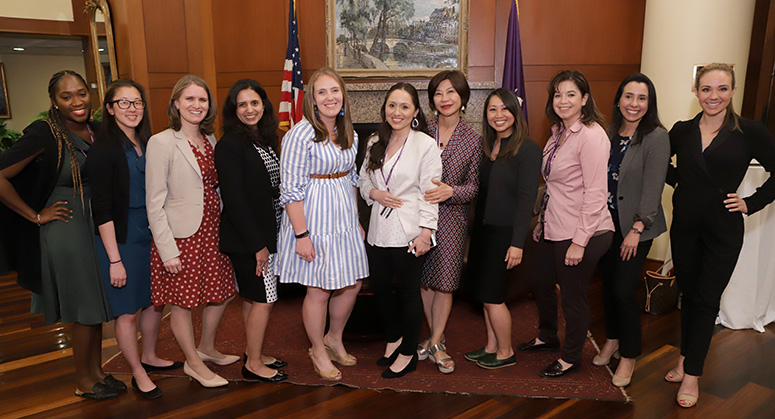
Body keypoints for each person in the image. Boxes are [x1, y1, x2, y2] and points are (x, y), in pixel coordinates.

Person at [0, 70, 118, 400]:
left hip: (94, 225)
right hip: (66, 227)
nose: (76, 102)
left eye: (81, 93)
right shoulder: (44, 133)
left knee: (96, 304)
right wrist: (36, 215)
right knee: (84, 307)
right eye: (67, 97)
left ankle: (97, 373)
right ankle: (83, 380)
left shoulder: (96, 130)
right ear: (54, 100)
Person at [665, 63, 775, 408]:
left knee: (707, 300)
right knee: (689, 293)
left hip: (723, 231)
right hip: (683, 227)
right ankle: (685, 356)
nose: (714, 96)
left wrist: (751, 202)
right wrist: (677, 180)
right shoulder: (681, 131)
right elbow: (657, 163)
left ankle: (693, 374)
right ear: (696, 92)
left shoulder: (749, 131)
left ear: (733, 90)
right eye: (707, 89)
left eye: (722, 89)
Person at [86, 79, 181, 399]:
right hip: (122, 237)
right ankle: (137, 372)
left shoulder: (149, 141)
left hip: (152, 232)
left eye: (137, 102)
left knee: (154, 302)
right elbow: (101, 209)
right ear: (110, 109)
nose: (132, 109)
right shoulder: (103, 150)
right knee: (127, 311)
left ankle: (150, 356)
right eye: (123, 103)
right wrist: (114, 259)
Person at [518, 70, 614, 378]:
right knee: (539, 280)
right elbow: (557, 187)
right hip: (556, 226)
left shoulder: (592, 136)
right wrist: (542, 223)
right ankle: (547, 336)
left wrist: (579, 241)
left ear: (585, 99)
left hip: (585, 231)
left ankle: (571, 357)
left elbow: (597, 193)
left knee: (572, 297)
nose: (563, 100)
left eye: (571, 94)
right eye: (558, 94)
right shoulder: (558, 131)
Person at [276, 67, 369, 381]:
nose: (330, 97)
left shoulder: (349, 132)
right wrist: (301, 235)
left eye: (335, 91)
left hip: (343, 218)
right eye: (322, 92)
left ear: (343, 95)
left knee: (353, 282)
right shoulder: (298, 135)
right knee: (318, 290)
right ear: (312, 101)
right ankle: (317, 348)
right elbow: (290, 190)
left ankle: (334, 338)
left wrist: (356, 219)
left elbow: (353, 179)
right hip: (313, 221)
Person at [145, 74, 237, 388]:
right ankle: (193, 363)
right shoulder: (161, 142)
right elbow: (154, 202)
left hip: (212, 230)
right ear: (176, 104)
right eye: (189, 99)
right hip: (181, 236)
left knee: (222, 293)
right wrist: (167, 250)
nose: (196, 105)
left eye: (202, 99)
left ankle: (207, 347)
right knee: (182, 302)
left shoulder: (210, 140)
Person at [359, 83, 443, 379]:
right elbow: (362, 181)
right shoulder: (373, 142)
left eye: (405, 106)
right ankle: (393, 337)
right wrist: (374, 194)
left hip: (410, 231)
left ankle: (408, 351)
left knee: (409, 292)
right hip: (378, 230)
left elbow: (430, 193)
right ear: (384, 109)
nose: (397, 112)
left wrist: (425, 234)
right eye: (392, 105)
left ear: (416, 112)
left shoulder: (425, 144)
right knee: (381, 288)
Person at [594, 73, 670, 388]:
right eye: (629, 96)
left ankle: (629, 353)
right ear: (619, 99)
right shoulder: (610, 131)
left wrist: (637, 229)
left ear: (649, 103)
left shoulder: (656, 136)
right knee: (608, 286)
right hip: (606, 224)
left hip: (636, 228)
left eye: (641, 98)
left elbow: (653, 190)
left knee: (625, 291)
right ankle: (611, 340)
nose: (634, 104)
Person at [215, 79, 288, 383]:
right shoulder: (229, 144)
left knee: (253, 298)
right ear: (233, 110)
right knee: (264, 299)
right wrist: (258, 245)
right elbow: (235, 199)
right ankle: (253, 365)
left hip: (265, 232)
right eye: (242, 104)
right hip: (248, 238)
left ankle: (253, 352)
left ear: (264, 105)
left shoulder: (264, 139)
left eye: (254, 103)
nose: (249, 109)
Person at [464, 88, 541, 370]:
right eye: (492, 109)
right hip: (484, 231)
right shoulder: (488, 147)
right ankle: (491, 346)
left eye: (504, 108)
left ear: (515, 112)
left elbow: (526, 200)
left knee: (494, 297)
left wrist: (517, 243)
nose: (499, 115)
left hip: (506, 233)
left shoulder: (528, 149)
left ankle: (506, 351)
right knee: (485, 294)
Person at [418, 70, 482, 374]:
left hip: (452, 218)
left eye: (451, 92)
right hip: (418, 217)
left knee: (444, 283)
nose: (444, 99)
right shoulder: (420, 130)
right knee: (424, 278)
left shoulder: (473, 139)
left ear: (462, 98)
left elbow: (474, 187)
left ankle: (434, 340)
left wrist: (450, 191)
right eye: (438, 93)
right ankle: (437, 341)